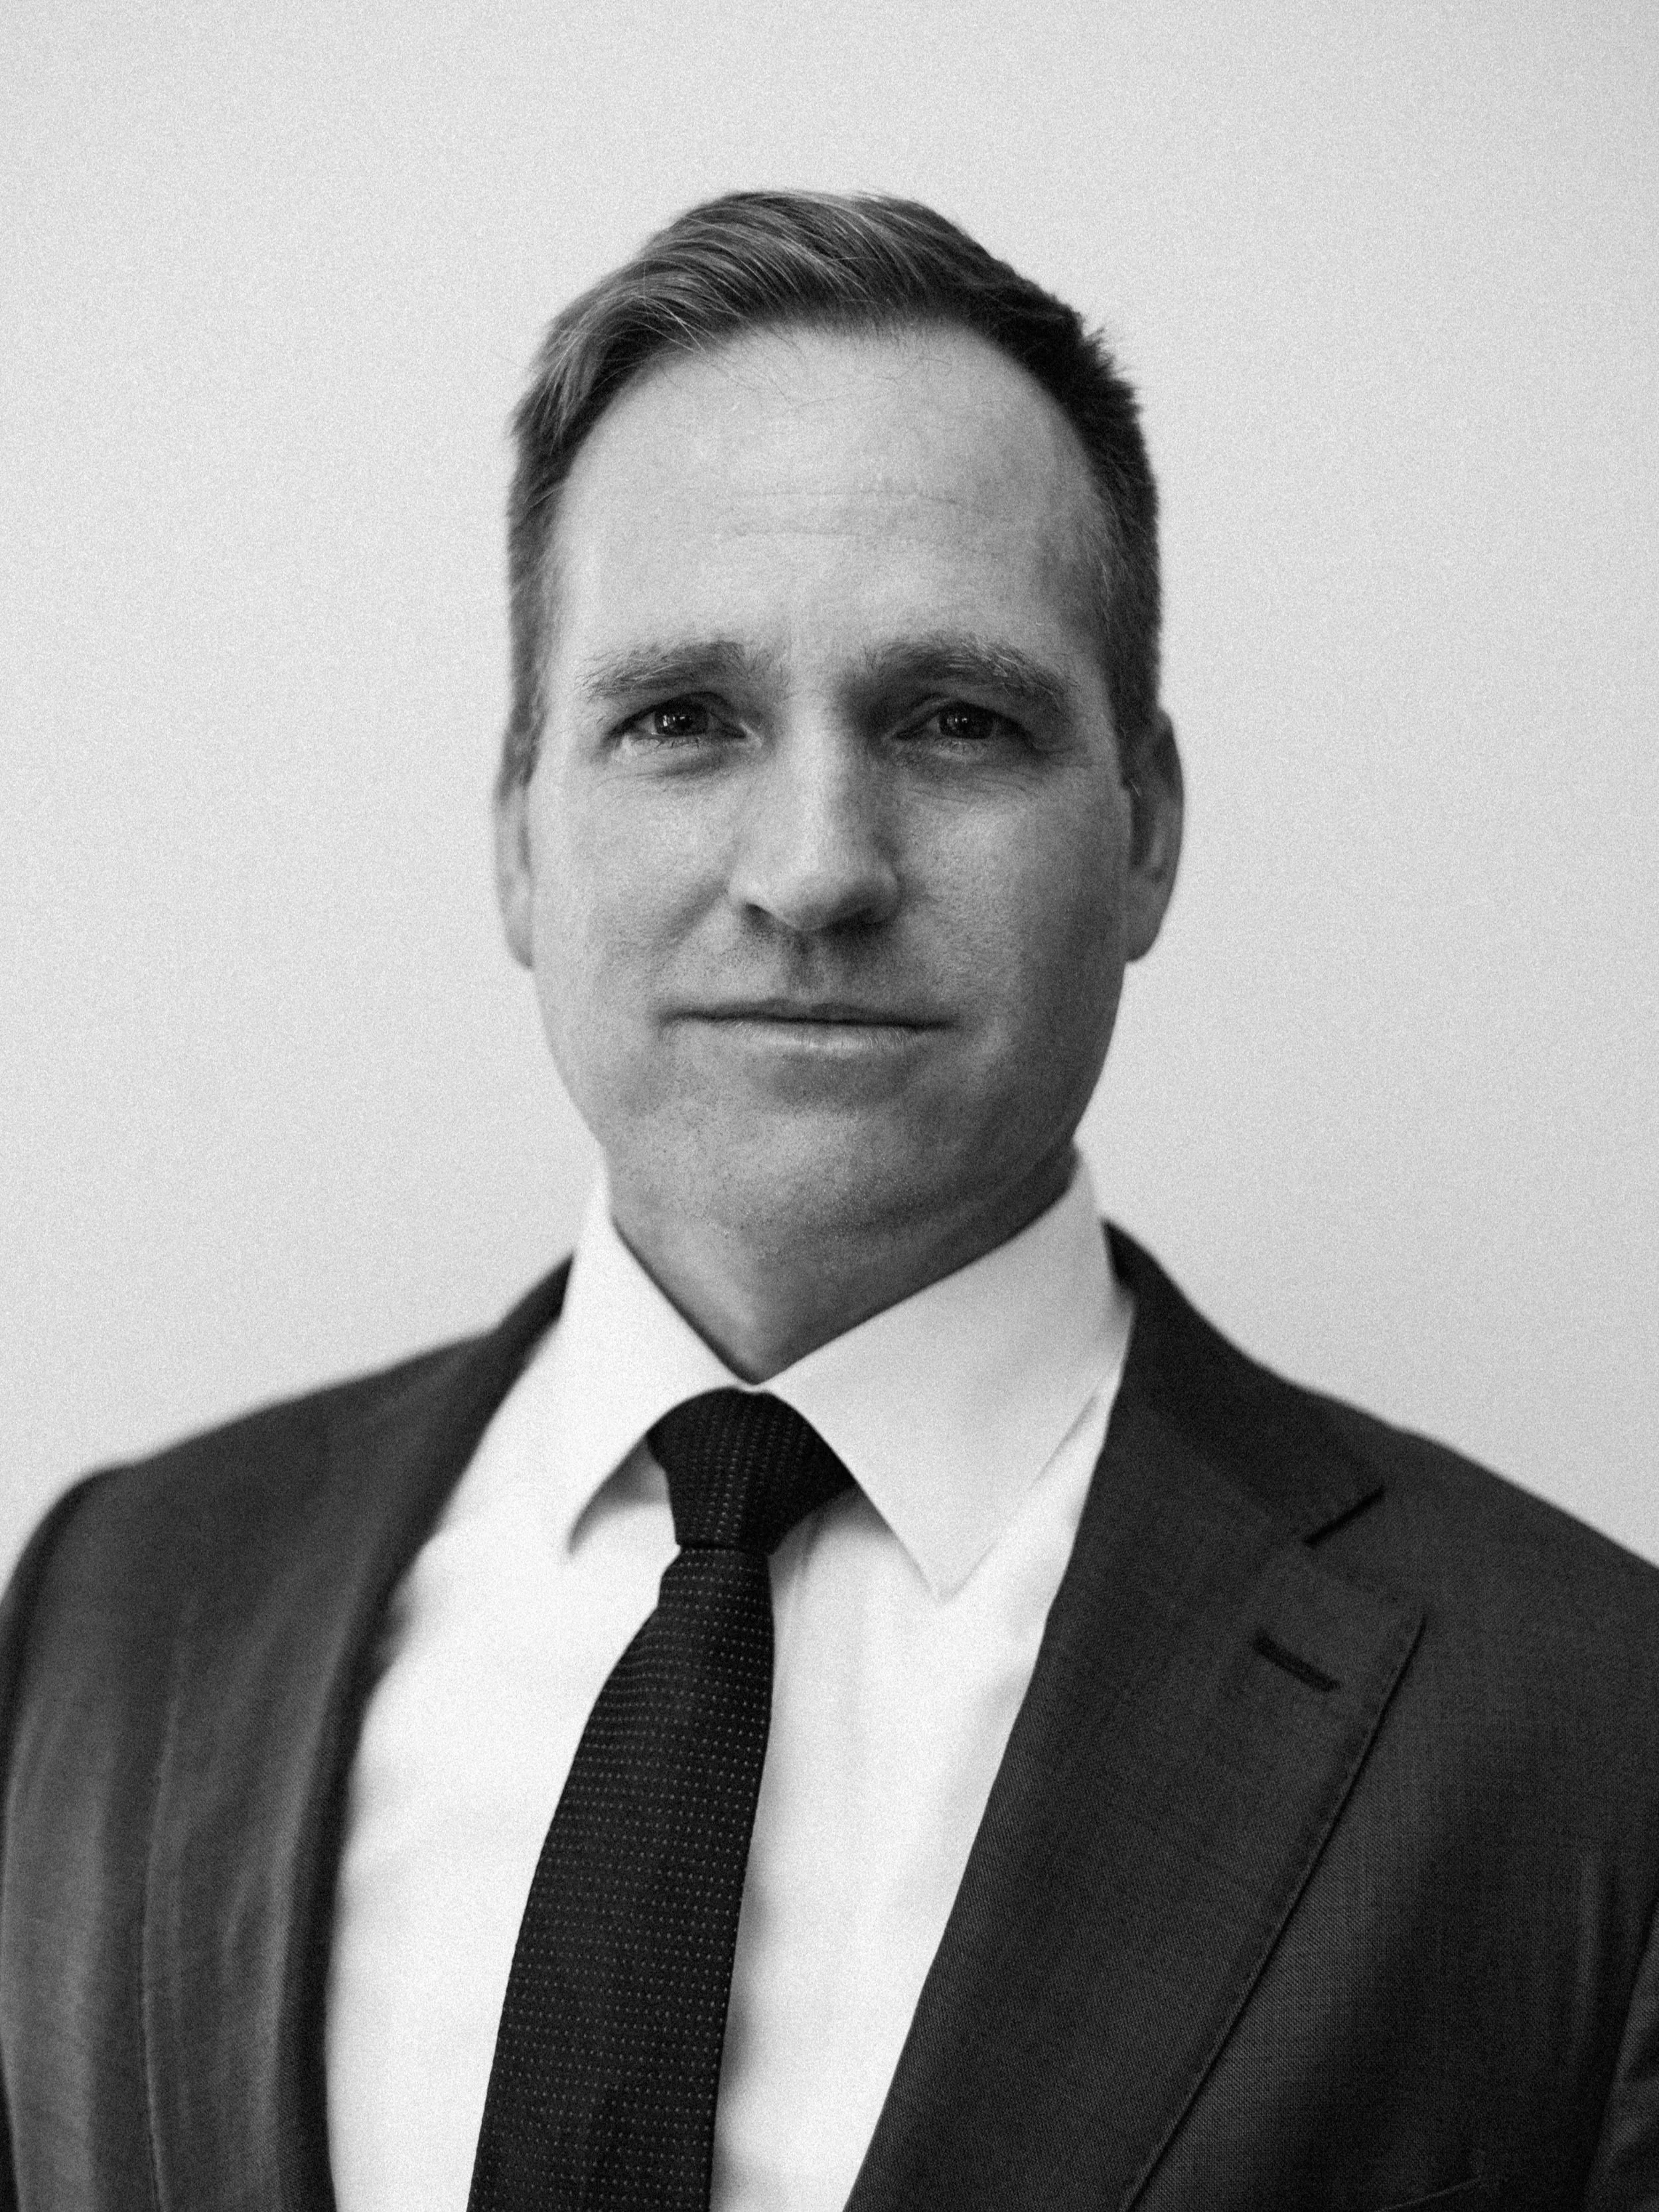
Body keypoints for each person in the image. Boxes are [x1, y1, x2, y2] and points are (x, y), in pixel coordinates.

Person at [1, 190, 1656, 2212]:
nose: (811, 867)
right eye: (680, 718)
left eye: (953, 721)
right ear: (520, 832)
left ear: (1144, 833)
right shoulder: (114, 1610)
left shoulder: (1587, 1734)